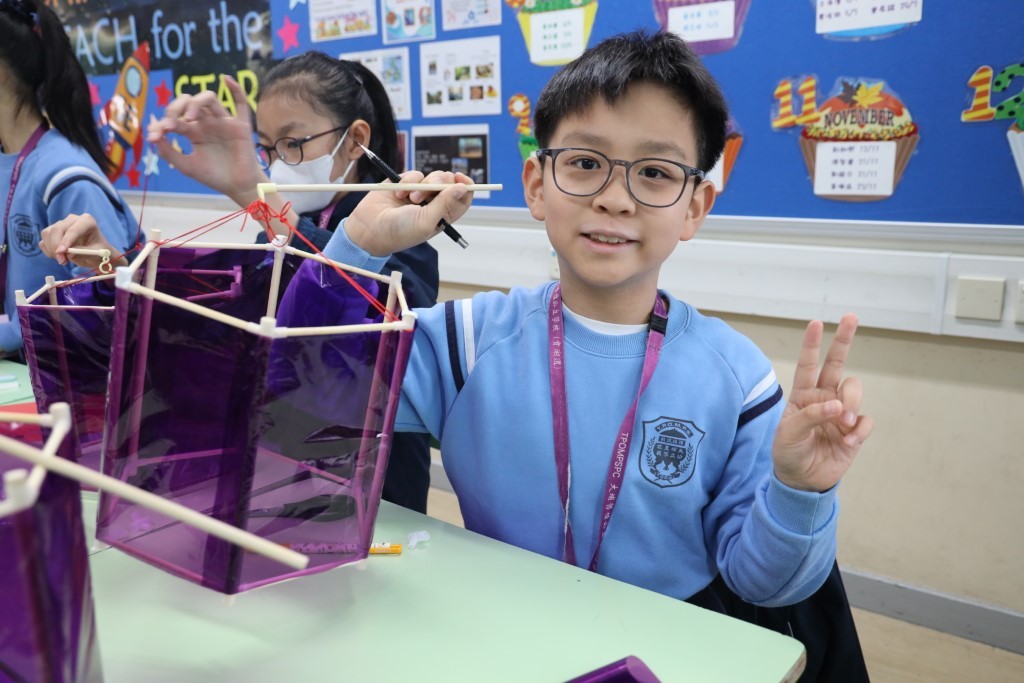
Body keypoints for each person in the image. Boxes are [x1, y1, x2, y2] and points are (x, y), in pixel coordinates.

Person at [325, 30, 874, 677]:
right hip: (502, 637)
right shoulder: (464, 341)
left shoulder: (737, 379)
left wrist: (801, 490)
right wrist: (356, 244)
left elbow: (765, 584)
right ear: (537, 184)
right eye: (585, 163)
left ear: (695, 207)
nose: (615, 197)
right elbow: (306, 398)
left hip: (670, 652)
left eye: (655, 172)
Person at [42, 52, 438, 513]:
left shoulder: (403, 229)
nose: (277, 163)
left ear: (355, 141)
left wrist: (252, 193)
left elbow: (379, 326)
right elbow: (211, 326)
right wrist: (112, 266)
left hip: (377, 494)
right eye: (267, 148)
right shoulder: (275, 229)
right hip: (288, 479)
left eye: (292, 143)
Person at [0, 0, 138, 355]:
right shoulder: (8, 161)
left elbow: (107, 315)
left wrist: (9, 337)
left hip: (59, 382)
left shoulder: (66, 176)